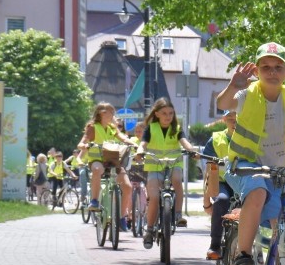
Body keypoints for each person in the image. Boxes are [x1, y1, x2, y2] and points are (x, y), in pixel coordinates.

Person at [216, 42, 285, 265]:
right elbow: (223, 104)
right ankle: (243, 257)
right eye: (265, 67)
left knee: (283, 224)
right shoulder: (247, 93)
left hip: (279, 171)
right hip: (244, 166)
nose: (272, 72)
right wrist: (233, 86)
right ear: (256, 71)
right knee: (258, 192)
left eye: (278, 67)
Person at [134, 98, 198, 248]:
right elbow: (143, 143)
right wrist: (140, 150)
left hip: (173, 163)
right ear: (156, 114)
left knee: (177, 179)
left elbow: (184, 142)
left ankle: (178, 214)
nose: (168, 116)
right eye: (164, 113)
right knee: (155, 197)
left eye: (170, 113)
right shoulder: (151, 128)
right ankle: (149, 230)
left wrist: (191, 150)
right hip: (155, 166)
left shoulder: (176, 128)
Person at [77, 102, 135, 230]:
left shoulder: (112, 128)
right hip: (97, 159)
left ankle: (121, 216)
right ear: (101, 113)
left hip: (112, 160)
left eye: (112, 112)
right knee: (98, 169)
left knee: (127, 186)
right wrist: (85, 146)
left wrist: (133, 144)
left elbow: (122, 138)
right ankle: (95, 201)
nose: (112, 115)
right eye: (110, 112)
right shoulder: (92, 127)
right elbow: (82, 142)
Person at [202, 109, 237, 260]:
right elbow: (209, 172)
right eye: (230, 116)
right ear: (223, 119)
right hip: (223, 182)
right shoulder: (215, 140)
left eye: (238, 116)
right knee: (222, 200)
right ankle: (215, 244)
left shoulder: (253, 138)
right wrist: (206, 202)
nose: (234, 120)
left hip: (244, 182)